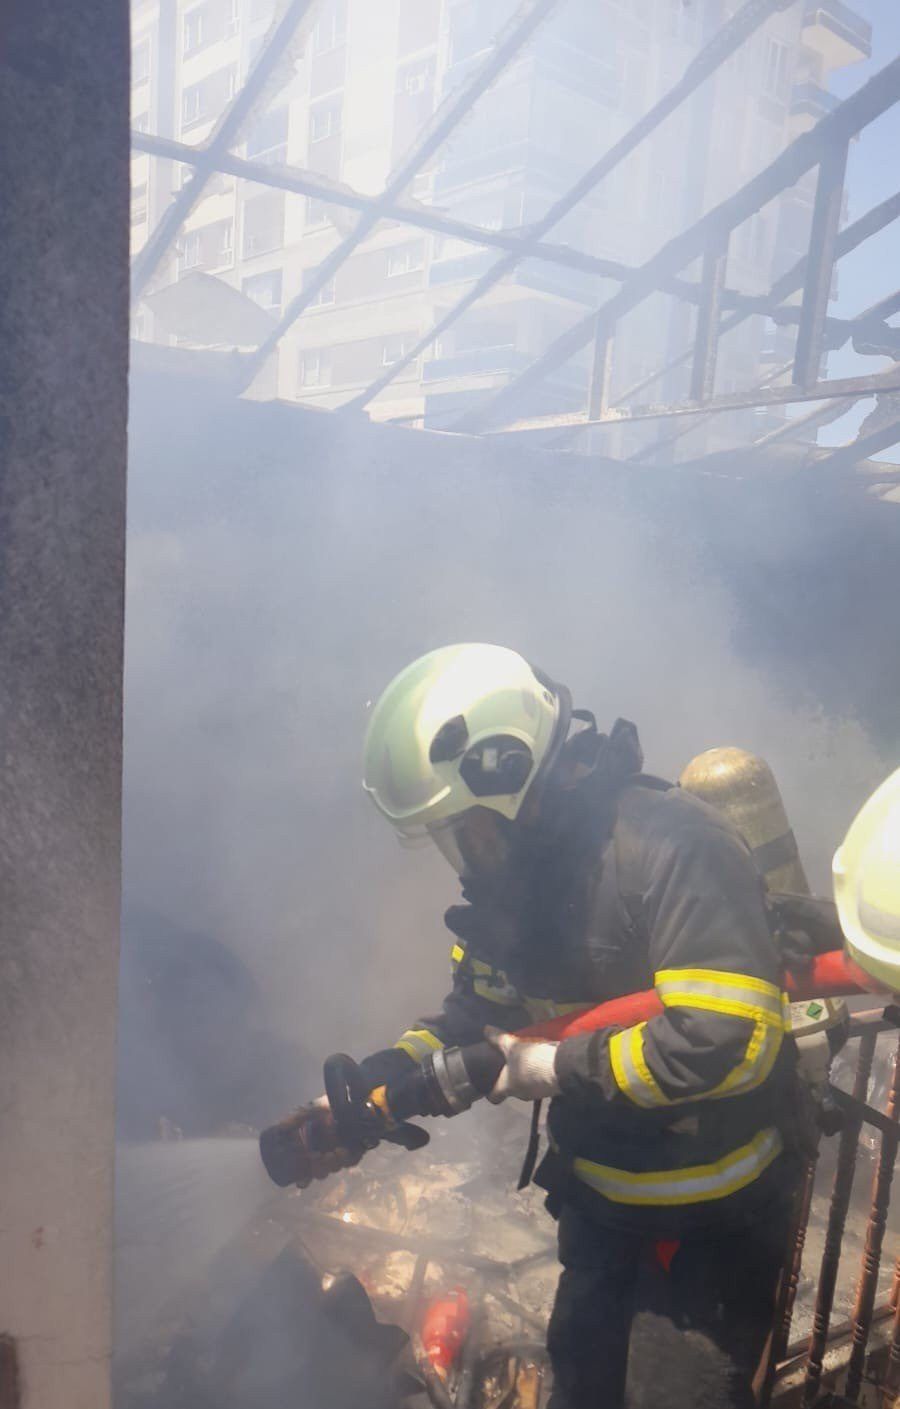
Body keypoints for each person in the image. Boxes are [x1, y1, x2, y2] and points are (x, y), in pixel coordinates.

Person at [321, 644, 804, 1409]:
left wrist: (544, 1066)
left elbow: (731, 1040)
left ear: (510, 776)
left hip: (712, 1229)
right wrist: (397, 1066)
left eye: (465, 829)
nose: (463, 855)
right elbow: (479, 1012)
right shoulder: (517, 889)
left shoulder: (674, 846)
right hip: (601, 1213)